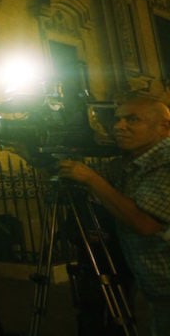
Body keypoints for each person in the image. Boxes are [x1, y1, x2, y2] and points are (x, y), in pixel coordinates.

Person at [58, 97, 170, 335]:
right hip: (157, 289)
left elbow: (146, 223)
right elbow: (71, 170)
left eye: (133, 119)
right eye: (117, 119)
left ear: (164, 127)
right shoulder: (131, 162)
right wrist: (30, 149)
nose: (119, 126)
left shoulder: (166, 160)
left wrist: (91, 180)